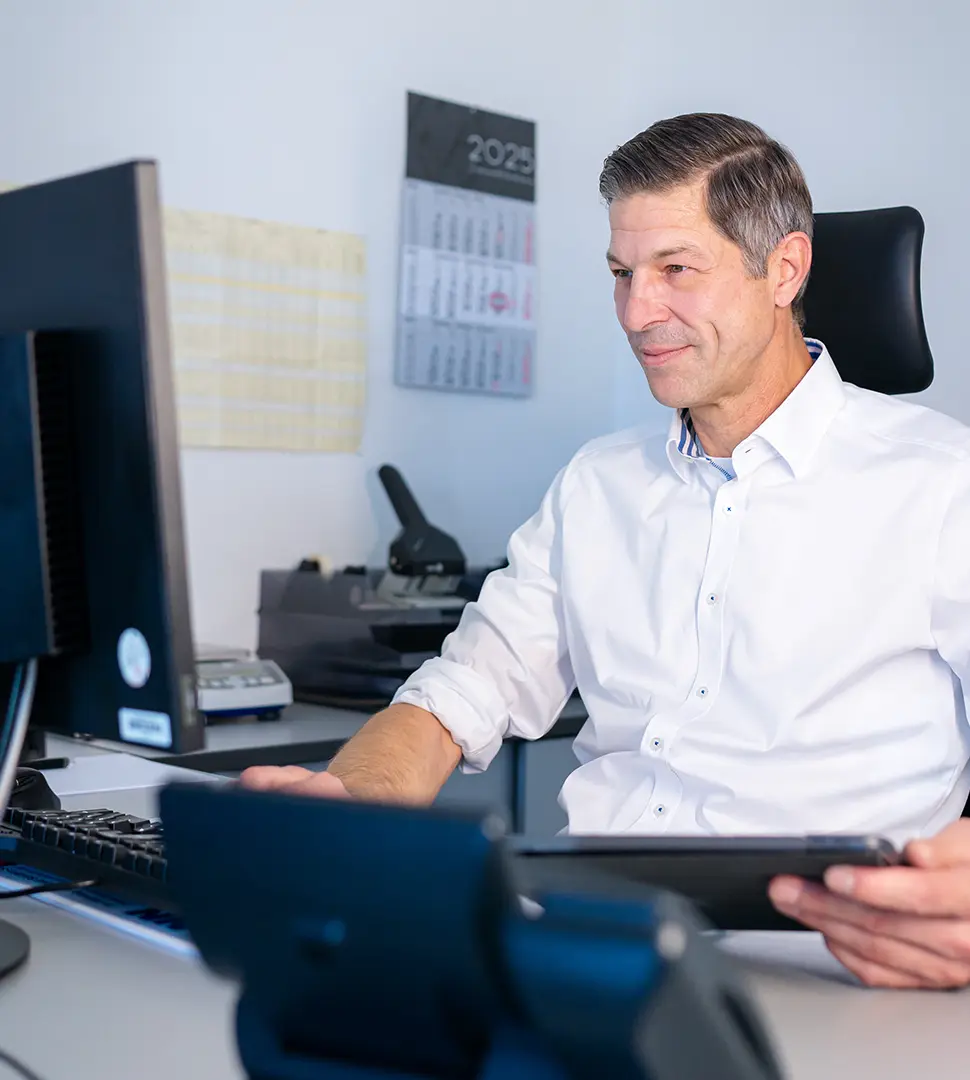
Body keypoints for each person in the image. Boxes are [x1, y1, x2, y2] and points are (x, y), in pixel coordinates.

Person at [243, 114, 970, 988]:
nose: (636, 311)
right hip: (582, 956)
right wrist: (355, 799)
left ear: (784, 269)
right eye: (622, 274)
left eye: (676, 271)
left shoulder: (940, 482)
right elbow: (464, 690)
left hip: (825, 975)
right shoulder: (597, 484)